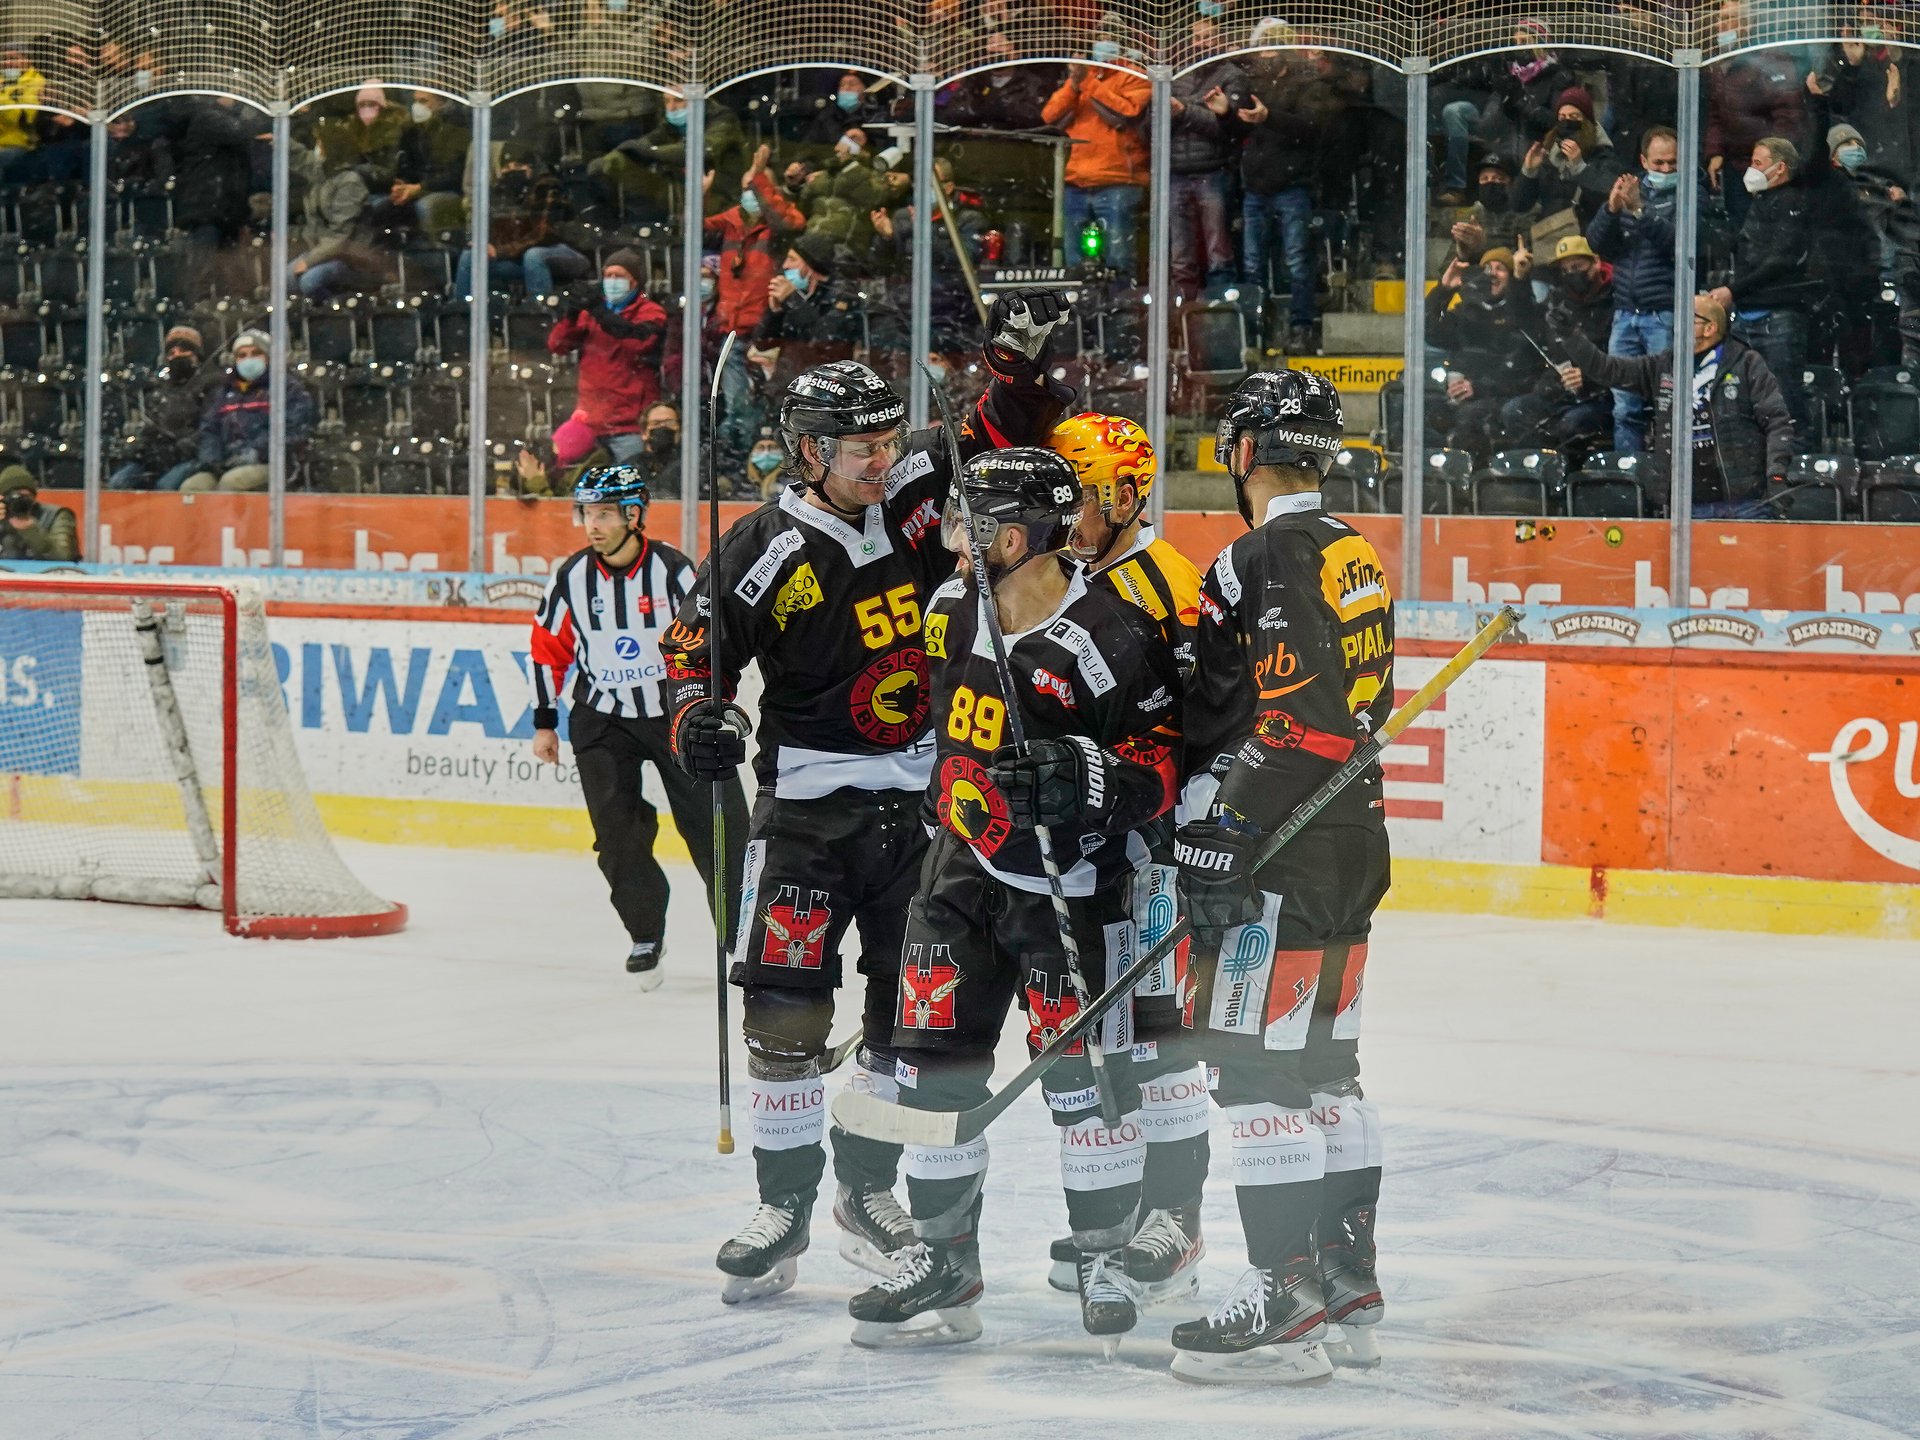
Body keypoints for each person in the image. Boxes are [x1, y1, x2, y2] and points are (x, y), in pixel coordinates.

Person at [658, 291, 1075, 1306]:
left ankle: (868, 1191)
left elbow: (999, 431)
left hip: (925, 811)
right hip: (807, 813)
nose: (884, 459)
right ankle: (784, 1206)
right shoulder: (760, 549)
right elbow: (691, 659)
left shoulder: (921, 488)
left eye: (888, 440)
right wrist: (697, 720)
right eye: (861, 448)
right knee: (786, 1015)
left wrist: (1018, 369)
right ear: (809, 452)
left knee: (906, 1019)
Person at [847, 447, 1180, 1352]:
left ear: (1022, 538)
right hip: (957, 873)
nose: (956, 540)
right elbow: (936, 719)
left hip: (1071, 891)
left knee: (1084, 1088)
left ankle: (1103, 1255)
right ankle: (944, 1257)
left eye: (974, 525)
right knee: (933, 1073)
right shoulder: (949, 608)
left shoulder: (1108, 635)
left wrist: (1086, 775)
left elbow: (1162, 762)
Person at [1171, 368, 1392, 1383]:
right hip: (1352, 838)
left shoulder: (1263, 553)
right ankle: (1346, 1279)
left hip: (1288, 846)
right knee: (1326, 1066)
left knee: (1256, 1069)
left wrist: (1229, 821)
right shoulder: (1351, 547)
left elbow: (1301, 720)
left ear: (1247, 451)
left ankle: (1283, 1290)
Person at [1040, 413, 1210, 1307]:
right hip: (1085, 846)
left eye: (1086, 495)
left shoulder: (1168, 583)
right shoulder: (1057, 573)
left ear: (1126, 496)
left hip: (1154, 842)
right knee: (1096, 1037)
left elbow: (1200, 721)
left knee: (1158, 1035)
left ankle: (1175, 1216)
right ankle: (1119, 1209)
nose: (1069, 511)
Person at [527, 466, 748, 984]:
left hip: (676, 715)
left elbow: (710, 638)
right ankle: (645, 931)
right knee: (617, 839)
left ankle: (739, 938)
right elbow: (546, 648)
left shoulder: (673, 571)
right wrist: (544, 722)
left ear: (633, 515)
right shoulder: (570, 577)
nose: (593, 525)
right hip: (603, 720)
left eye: (604, 514)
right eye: (587, 514)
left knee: (721, 831)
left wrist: (711, 704)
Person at [1551, 294, 1794, 517]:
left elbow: (1776, 422)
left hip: (1745, 503)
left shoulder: (1747, 363)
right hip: (1686, 505)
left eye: (1689, 318)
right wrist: (1570, 335)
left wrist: (1776, 474)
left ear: (1710, 328)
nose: (1678, 325)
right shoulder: (1664, 365)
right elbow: (1607, 370)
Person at [1238, 31, 1345, 351]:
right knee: (1253, 265)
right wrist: (1224, 115)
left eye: (1272, 47)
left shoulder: (1308, 84)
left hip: (1292, 185)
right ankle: (1254, 332)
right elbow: (1236, 130)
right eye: (1262, 48)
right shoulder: (1251, 84)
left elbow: (1311, 128)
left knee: (1297, 260)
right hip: (1255, 185)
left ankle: (1302, 326)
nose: (1266, 54)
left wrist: (1269, 117)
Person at [1708, 136, 1815, 446]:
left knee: (1785, 398)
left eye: (1758, 163)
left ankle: (1796, 461)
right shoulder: (1761, 201)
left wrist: (1733, 290)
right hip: (1748, 315)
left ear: (1779, 168)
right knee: (1745, 397)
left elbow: (1779, 261)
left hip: (1778, 316)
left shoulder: (1793, 203)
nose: (1751, 170)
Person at [1587, 126, 1682, 452]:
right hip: (1625, 313)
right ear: (1644, 161)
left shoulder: (1689, 195)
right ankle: (1627, 475)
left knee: (1668, 406)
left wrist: (1641, 211)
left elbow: (1678, 245)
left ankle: (1669, 475)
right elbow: (1597, 244)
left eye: (1673, 163)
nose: (1666, 170)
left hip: (1664, 313)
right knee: (1625, 408)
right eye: (1659, 163)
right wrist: (1611, 209)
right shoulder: (1628, 190)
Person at [547, 249, 670, 470]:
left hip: (630, 424)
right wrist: (571, 316)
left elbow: (636, 342)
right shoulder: (590, 315)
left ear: (635, 282)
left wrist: (600, 312)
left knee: (632, 481)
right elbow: (557, 345)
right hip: (590, 421)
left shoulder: (651, 312)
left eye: (619, 276)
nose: (612, 281)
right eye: (608, 275)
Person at [1043, 42, 1151, 282]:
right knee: (1073, 258)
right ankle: (1075, 303)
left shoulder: (1134, 76)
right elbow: (1050, 116)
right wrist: (1073, 84)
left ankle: (1121, 301)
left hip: (1118, 180)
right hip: (1076, 180)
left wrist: (1087, 83)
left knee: (1119, 257)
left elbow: (1125, 114)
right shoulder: (1081, 78)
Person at [1499, 235, 1615, 454]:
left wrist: (1589, 375)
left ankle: (1571, 471)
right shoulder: (1557, 302)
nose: (1572, 274)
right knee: (1514, 411)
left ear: (1596, 262)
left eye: (1577, 266)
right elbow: (1523, 320)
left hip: (1604, 396)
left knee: (1571, 424)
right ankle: (1544, 468)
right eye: (1565, 270)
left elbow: (1626, 359)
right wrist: (1519, 278)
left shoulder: (1615, 300)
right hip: (1560, 392)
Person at [1428, 245, 1544, 459]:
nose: (1492, 274)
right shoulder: (1469, 313)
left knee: (1470, 416)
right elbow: (1430, 331)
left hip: (1504, 398)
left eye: (1500, 268)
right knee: (1425, 412)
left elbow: (1524, 374)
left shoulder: (1522, 313)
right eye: (1488, 268)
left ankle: (1476, 476)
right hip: (1465, 398)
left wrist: (1478, 388)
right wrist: (1443, 290)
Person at [183, 331, 317, 493]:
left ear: (269, 357)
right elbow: (210, 429)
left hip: (275, 465)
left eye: (256, 353)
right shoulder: (224, 391)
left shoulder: (288, 388)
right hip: (228, 462)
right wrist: (211, 459)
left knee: (232, 482)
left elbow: (293, 430)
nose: (248, 359)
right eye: (242, 355)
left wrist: (256, 452)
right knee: (193, 487)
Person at [1167, 25, 1246, 299]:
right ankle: (1181, 308)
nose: (1201, 43)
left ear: (1221, 38)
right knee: (1179, 252)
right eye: (1197, 37)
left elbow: (1227, 128)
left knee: (1218, 250)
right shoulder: (1174, 75)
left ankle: (1220, 306)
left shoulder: (1231, 75)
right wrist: (1196, 110)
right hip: (1175, 170)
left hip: (1213, 170)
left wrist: (1185, 111)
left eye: (1208, 37)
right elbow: (1153, 122)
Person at [110, 326, 218, 491]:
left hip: (192, 457)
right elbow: (152, 426)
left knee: (165, 487)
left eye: (183, 350)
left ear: (196, 355)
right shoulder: (161, 390)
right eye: (171, 352)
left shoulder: (210, 385)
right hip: (161, 457)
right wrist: (143, 449)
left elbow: (210, 427)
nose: (176, 356)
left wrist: (183, 446)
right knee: (119, 482)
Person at [1512, 86, 1624, 228]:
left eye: (1574, 117)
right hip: (1552, 235)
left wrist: (1580, 168)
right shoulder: (1549, 155)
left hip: (1589, 234)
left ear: (1588, 122)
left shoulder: (1603, 155)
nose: (1567, 122)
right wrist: (1528, 171)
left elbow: (1610, 196)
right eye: (1562, 117)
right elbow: (1519, 205)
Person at [0, 471, 78, 561]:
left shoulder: (55, 515)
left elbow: (64, 557)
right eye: (13, 497)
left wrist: (30, 529)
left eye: (24, 496)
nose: (19, 501)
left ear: (34, 496)